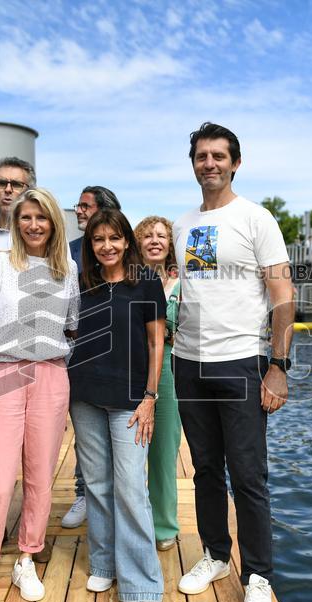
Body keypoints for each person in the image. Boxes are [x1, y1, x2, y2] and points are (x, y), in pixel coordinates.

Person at [173, 122, 293, 602]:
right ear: (193, 163)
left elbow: (284, 297)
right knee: (204, 470)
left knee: (248, 476)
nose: (209, 163)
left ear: (235, 162)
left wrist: (278, 366)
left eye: (218, 155)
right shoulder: (183, 225)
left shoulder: (256, 218)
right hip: (188, 363)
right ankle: (217, 553)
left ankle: (259, 577)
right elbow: (191, 289)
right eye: (201, 155)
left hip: (242, 361)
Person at [0, 187, 79, 602]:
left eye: (42, 217)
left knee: (39, 477)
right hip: (4, 372)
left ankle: (27, 556)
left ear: (54, 223)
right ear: (16, 222)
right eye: (26, 217)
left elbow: (72, 326)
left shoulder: (67, 269)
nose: (33, 225)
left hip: (50, 373)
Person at [67, 208, 167, 602]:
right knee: (98, 485)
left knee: (130, 488)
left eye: (114, 238)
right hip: (85, 395)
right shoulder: (82, 283)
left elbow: (156, 342)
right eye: (97, 240)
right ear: (90, 246)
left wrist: (150, 397)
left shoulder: (145, 282)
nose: (106, 246)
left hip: (131, 399)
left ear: (127, 241)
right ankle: (105, 565)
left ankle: (143, 585)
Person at [61, 184, 122, 531]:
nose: (79, 212)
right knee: (87, 434)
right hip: (79, 352)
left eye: (85, 206)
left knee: (119, 435)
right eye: (79, 206)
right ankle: (85, 492)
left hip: (116, 353)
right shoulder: (69, 252)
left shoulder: (125, 253)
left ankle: (119, 496)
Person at [133, 215, 182, 552]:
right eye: (148, 235)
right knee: (130, 451)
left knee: (165, 450)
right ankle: (133, 520)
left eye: (162, 236)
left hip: (169, 368)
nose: (154, 240)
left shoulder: (185, 283)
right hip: (133, 366)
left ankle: (164, 524)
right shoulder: (128, 281)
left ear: (170, 244)